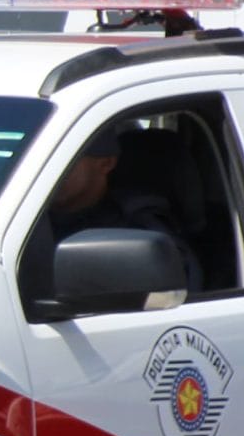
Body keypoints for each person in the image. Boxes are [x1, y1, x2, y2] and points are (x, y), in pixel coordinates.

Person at [23, 121, 200, 301]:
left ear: (106, 163)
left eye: (61, 161)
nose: (44, 173)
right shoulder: (20, 220)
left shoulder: (137, 229)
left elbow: (164, 302)